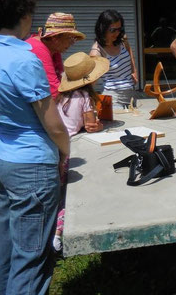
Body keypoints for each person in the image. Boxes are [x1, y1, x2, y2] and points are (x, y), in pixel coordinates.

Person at [0, 0, 70, 295]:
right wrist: (65, 150)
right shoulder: (24, 58)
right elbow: (54, 124)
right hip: (31, 167)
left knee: (4, 250)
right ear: (24, 16)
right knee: (31, 259)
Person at [53, 52, 109, 252]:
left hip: (55, 146)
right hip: (69, 148)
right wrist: (99, 125)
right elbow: (90, 125)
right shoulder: (84, 96)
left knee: (57, 192)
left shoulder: (60, 97)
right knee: (69, 195)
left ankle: (51, 230)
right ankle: (59, 235)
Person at [26, 12, 86, 99]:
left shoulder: (54, 49)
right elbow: (54, 91)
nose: (72, 43)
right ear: (55, 37)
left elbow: (61, 80)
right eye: (70, 38)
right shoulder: (38, 49)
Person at [90, 9, 138, 109]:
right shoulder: (97, 52)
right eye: (113, 30)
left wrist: (134, 71)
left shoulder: (122, 40)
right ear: (103, 29)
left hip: (131, 94)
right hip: (113, 99)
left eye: (119, 29)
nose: (117, 33)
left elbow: (129, 51)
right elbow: (91, 80)